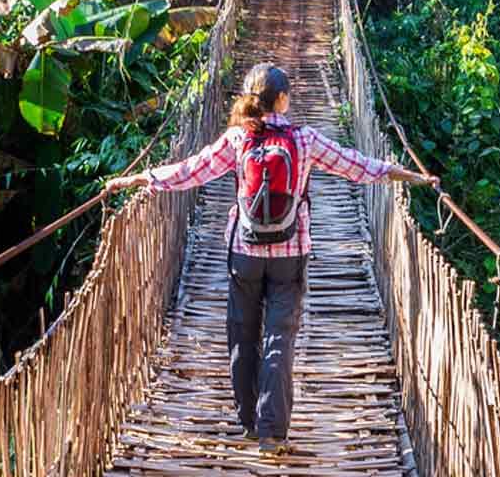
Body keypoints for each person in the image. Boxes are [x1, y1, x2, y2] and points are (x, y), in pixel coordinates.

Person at [105, 63, 436, 451]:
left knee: (241, 335)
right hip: (289, 254)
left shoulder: (236, 139)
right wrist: (411, 176)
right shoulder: (304, 139)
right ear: (282, 99)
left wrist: (140, 178)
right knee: (280, 338)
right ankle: (272, 432)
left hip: (244, 253)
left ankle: (247, 422)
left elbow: (189, 171)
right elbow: (358, 166)